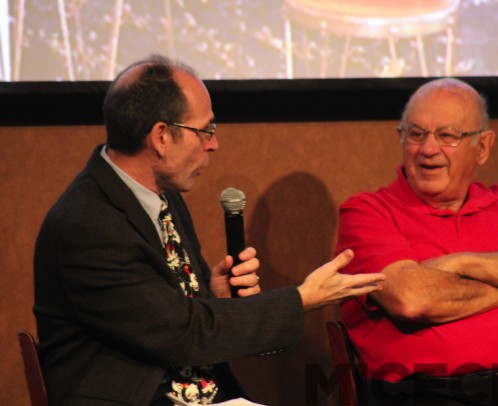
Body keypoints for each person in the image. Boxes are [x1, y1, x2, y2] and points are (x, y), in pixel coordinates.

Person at [33, 54, 385, 406]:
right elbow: (181, 333)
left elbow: (167, 316)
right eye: (205, 131)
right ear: (161, 137)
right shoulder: (88, 226)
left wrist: (212, 297)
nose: (213, 144)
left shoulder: (164, 196)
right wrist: (303, 298)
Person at [335, 78, 498, 405]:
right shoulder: (368, 212)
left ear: (482, 147)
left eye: (447, 135)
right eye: (416, 134)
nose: (427, 149)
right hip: (427, 393)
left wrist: (464, 263)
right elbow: (413, 299)